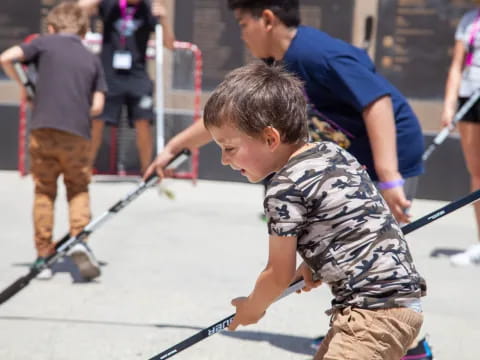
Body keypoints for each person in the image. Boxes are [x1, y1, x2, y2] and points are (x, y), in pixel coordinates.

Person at [203, 61, 426, 360]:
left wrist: (251, 308)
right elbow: (353, 222)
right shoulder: (333, 152)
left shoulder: (283, 188)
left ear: (271, 138)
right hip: (397, 304)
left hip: (370, 314)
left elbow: (277, 274)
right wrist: (317, 263)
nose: (223, 160)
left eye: (229, 147)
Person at [145, 0, 424, 226]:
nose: (241, 35)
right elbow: (229, 115)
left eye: (243, 25)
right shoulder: (277, 63)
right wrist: (175, 146)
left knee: (376, 253)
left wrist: (389, 176)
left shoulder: (317, 54)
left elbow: (377, 102)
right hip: (355, 159)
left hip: (390, 152)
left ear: (267, 19)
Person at [0, 2, 107, 280]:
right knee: (78, 187)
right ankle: (78, 240)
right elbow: (97, 105)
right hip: (76, 132)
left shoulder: (43, 43)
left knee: (44, 191)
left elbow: (6, 57)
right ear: (83, 33)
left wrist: (27, 89)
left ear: (51, 27)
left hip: (43, 129)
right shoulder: (91, 57)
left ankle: (43, 256)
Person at [78, 0, 175, 174]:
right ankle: (84, 169)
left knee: (143, 122)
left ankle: (147, 170)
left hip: (137, 76)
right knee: (97, 121)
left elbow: (170, 44)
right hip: (108, 75)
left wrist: (165, 19)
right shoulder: (110, 5)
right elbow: (79, 8)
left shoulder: (148, 9)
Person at [441, 4, 480, 266]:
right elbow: (457, 66)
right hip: (471, 98)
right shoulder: (469, 20)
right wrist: (449, 105)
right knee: (477, 171)